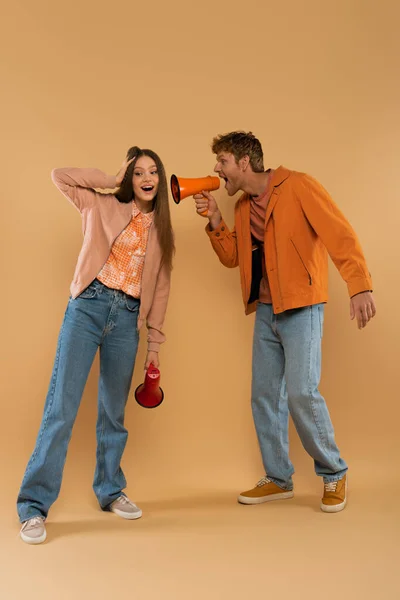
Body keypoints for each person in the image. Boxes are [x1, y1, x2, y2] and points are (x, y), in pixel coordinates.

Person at [194, 131, 376, 513]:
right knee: (263, 396)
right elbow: (233, 258)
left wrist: (359, 285)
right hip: (265, 311)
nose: (216, 169)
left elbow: (339, 234)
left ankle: (333, 472)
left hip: (303, 306)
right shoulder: (243, 207)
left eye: (222, 161)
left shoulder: (299, 186)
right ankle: (278, 479)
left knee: (300, 394)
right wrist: (214, 219)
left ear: (244, 163)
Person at [17, 146, 174, 544]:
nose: (147, 179)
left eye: (152, 171)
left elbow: (160, 290)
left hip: (127, 320)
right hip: (87, 308)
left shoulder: (163, 231)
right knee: (62, 409)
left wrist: (154, 344)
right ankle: (33, 506)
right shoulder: (99, 204)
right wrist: (111, 178)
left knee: (113, 413)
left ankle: (110, 489)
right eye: (138, 173)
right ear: (129, 177)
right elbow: (60, 175)